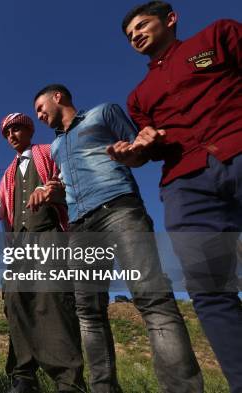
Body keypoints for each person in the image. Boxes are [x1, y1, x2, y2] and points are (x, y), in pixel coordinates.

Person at [33, 84, 202, 392]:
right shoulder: (56, 148)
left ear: (58, 97)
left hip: (119, 208)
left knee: (152, 298)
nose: (40, 115)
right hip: (80, 226)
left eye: (41, 107)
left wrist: (133, 153)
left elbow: (140, 153)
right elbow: (66, 185)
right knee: (89, 312)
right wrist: (53, 192)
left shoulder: (104, 112)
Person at [109, 3, 241, 391]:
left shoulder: (218, 35)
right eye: (129, 34)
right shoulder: (139, 97)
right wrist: (136, 152)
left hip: (237, 145)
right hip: (186, 184)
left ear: (170, 19)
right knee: (209, 288)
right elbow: (151, 148)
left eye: (141, 25)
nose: (134, 35)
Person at [0, 113, 85, 393]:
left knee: (52, 301)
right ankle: (24, 376)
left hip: (48, 235)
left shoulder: (48, 152)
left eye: (16, 128)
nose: (11, 135)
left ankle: (68, 379)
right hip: (18, 244)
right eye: (7, 132)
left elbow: (70, 178)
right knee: (17, 303)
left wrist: (52, 188)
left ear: (29, 130)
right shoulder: (8, 172)